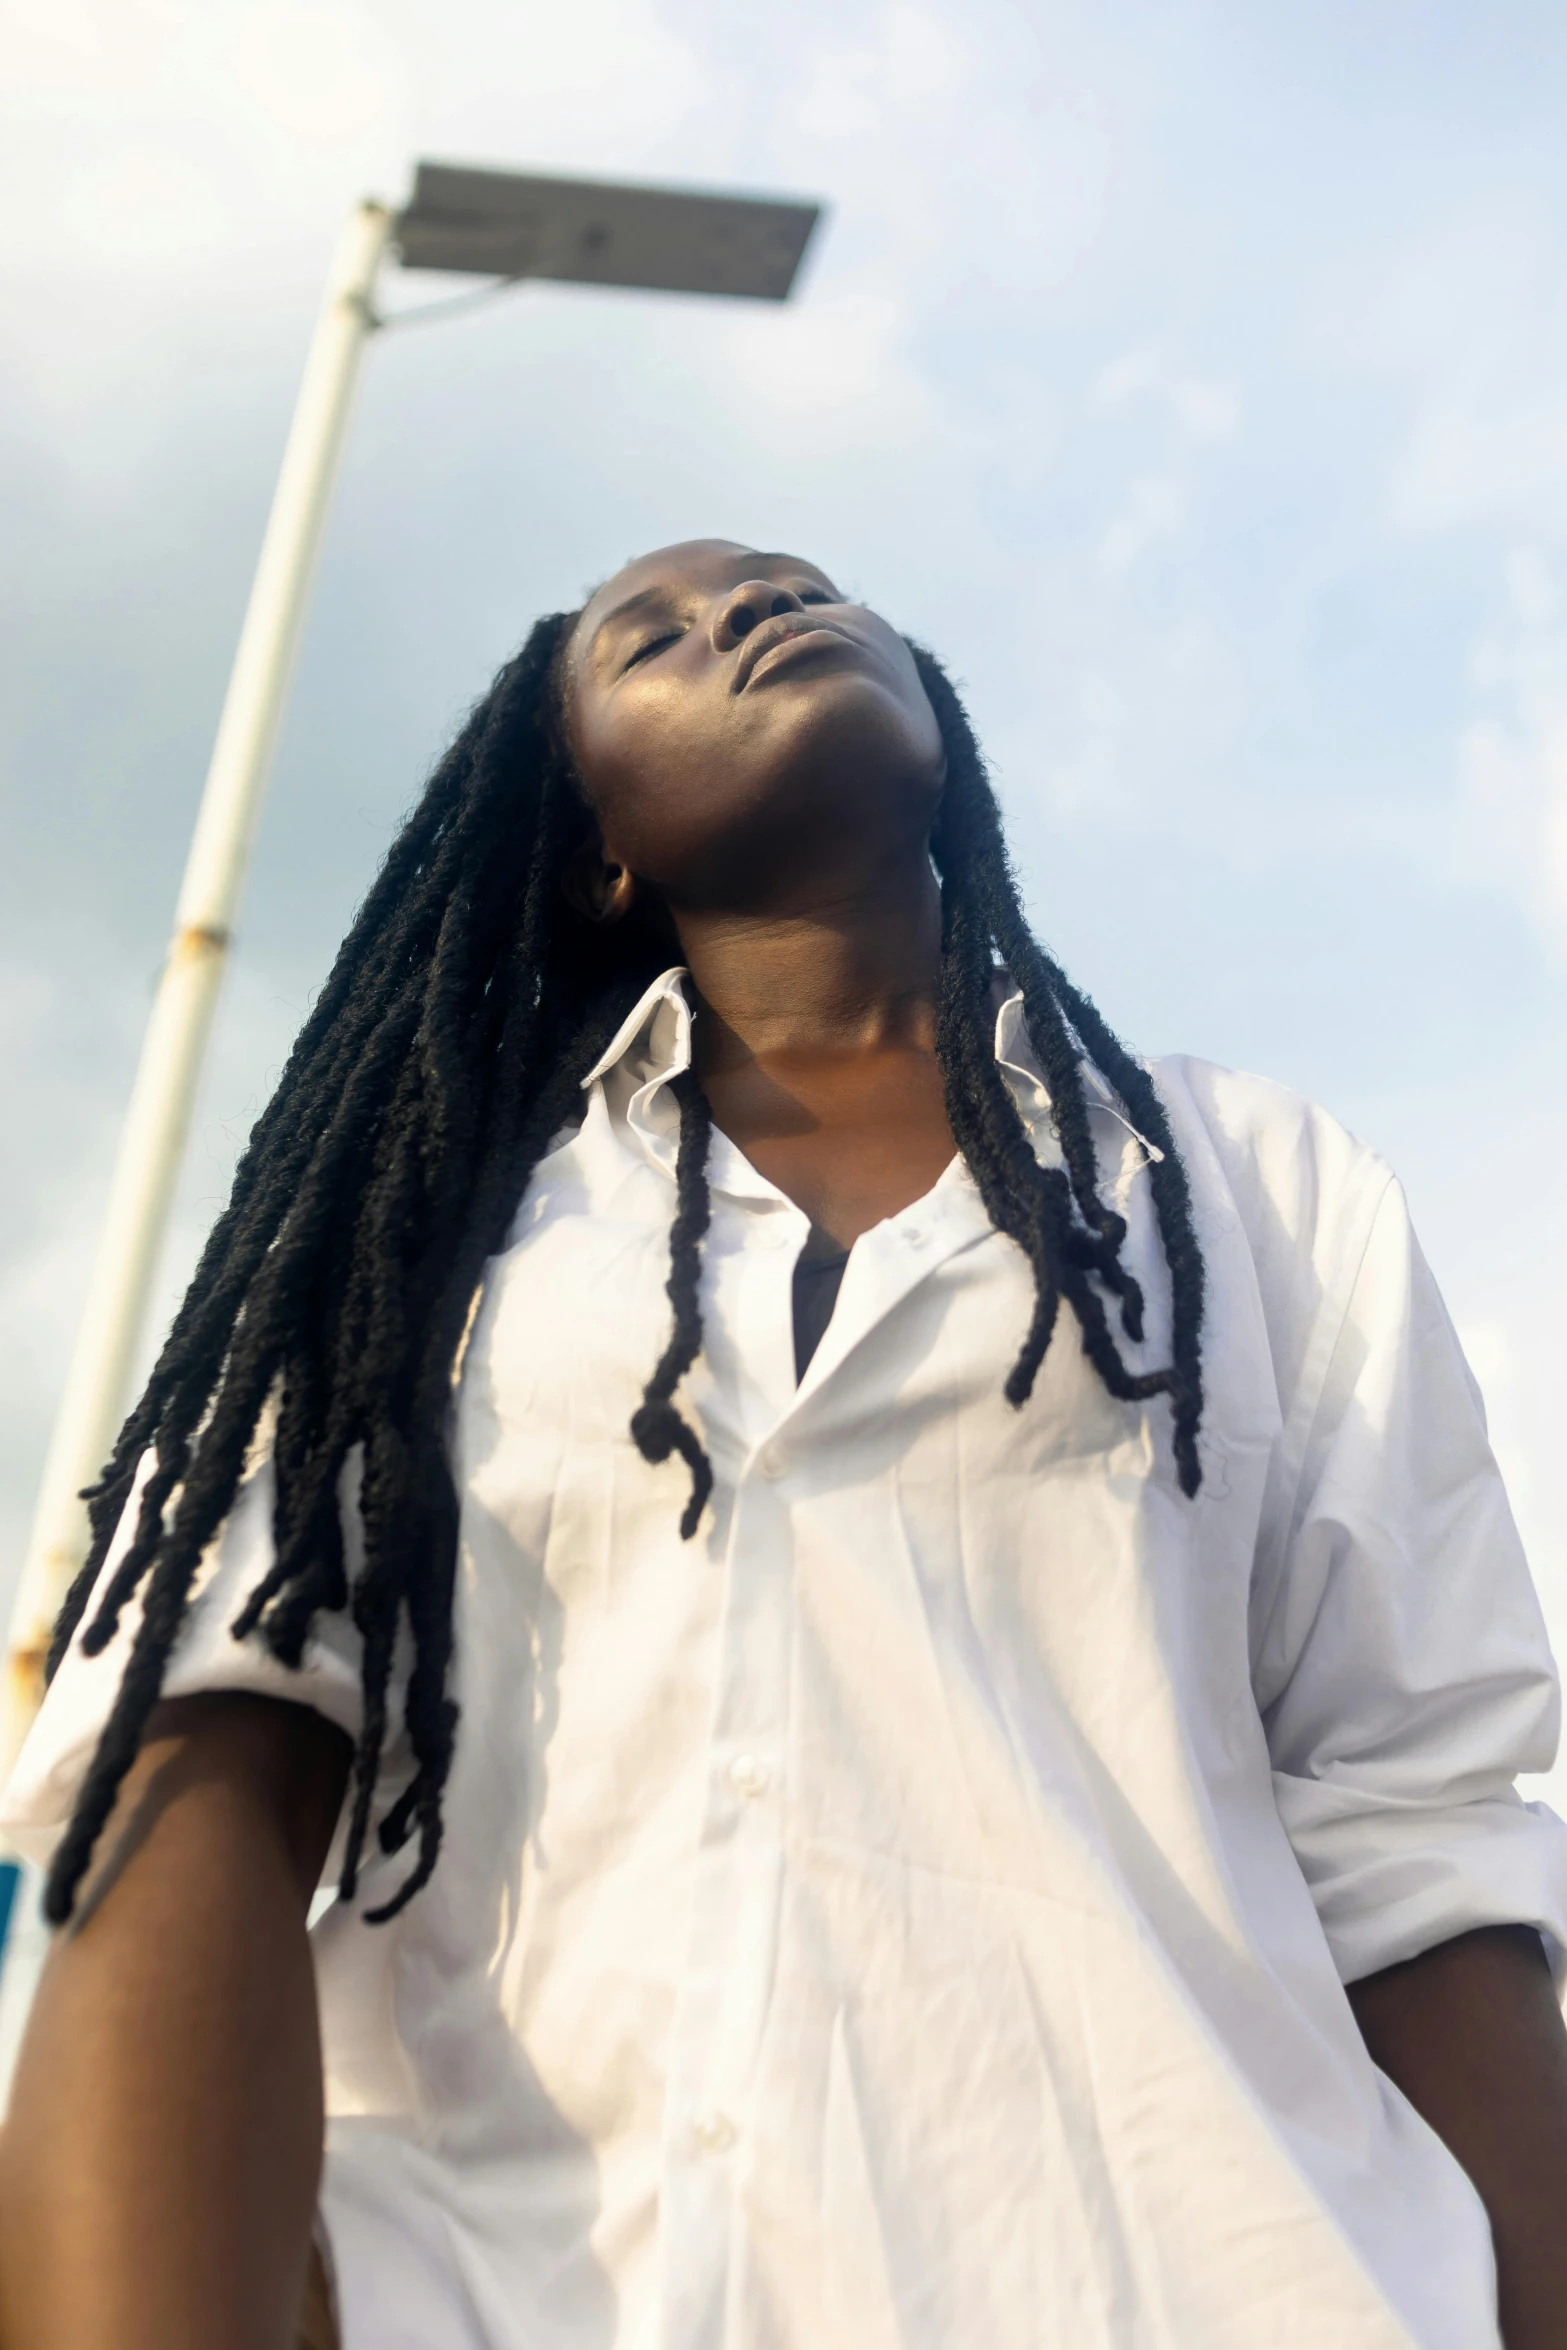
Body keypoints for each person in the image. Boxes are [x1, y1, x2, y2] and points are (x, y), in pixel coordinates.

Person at [2, 537, 1566, 2350]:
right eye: (650, 636)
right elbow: (196, 1778)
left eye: (789, 584)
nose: (744, 610)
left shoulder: (1253, 1189)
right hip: (526, 2296)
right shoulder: (416, 1235)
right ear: (597, 838)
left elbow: (1419, 1848)